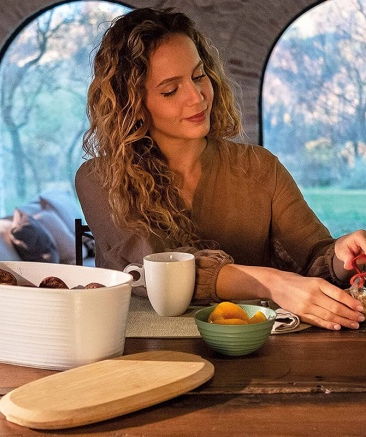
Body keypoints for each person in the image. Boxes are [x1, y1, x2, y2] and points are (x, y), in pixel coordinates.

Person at [75, 7, 366, 330]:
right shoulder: (100, 179)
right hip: (144, 356)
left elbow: (315, 262)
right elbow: (154, 273)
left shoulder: (260, 168)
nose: (197, 96)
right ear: (133, 105)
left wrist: (343, 253)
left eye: (199, 76)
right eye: (171, 90)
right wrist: (271, 283)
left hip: (255, 353)